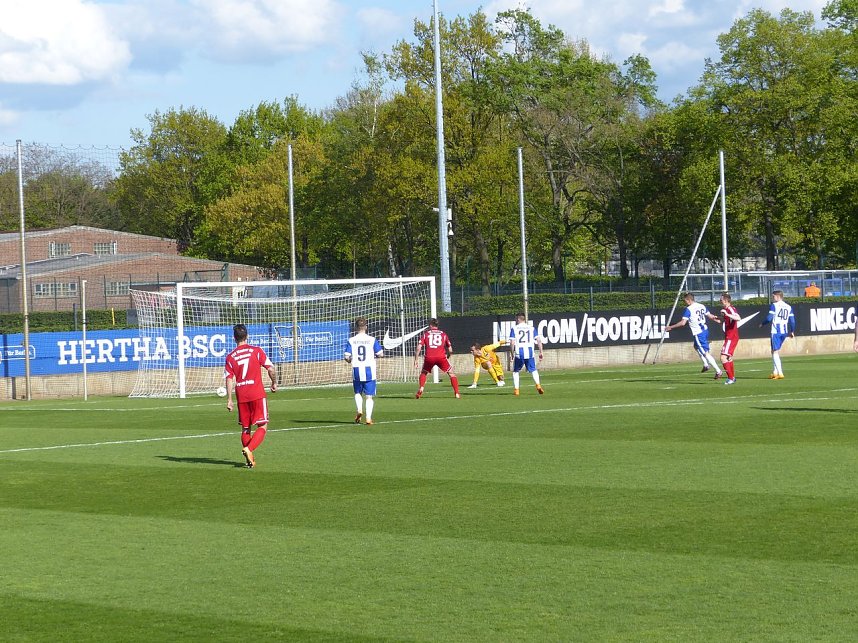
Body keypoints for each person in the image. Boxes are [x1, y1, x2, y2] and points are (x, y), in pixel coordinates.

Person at [224, 323, 277, 469]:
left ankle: (250, 457)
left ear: (234, 338)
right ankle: (249, 449)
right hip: (257, 393)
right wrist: (274, 383)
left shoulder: (230, 357)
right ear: (247, 336)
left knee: (245, 429)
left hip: (241, 395)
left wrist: (229, 400)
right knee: (263, 425)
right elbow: (271, 369)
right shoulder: (256, 351)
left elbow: (229, 378)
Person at [664, 292, 723, 379]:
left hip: (698, 333)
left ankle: (718, 370)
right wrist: (717, 320)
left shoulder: (689, 309)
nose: (685, 303)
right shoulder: (701, 306)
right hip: (705, 330)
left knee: (705, 353)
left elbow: (683, 323)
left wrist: (671, 327)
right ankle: (706, 364)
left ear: (688, 300)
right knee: (696, 346)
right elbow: (710, 316)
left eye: (685, 301)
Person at [343, 317, 383, 425]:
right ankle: (368, 418)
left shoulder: (351, 340)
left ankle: (359, 409)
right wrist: (373, 355)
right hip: (369, 370)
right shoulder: (372, 339)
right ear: (366, 327)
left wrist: (350, 360)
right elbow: (380, 354)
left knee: (357, 392)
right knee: (369, 396)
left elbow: (347, 356)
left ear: (356, 328)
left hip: (356, 369)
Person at [414, 318, 460, 399]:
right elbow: (450, 350)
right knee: (451, 374)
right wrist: (448, 356)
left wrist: (416, 360)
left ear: (431, 325)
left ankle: (421, 388)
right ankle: (456, 393)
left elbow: (418, 347)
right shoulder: (443, 334)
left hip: (429, 357)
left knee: (424, 372)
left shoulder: (426, 334)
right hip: (441, 357)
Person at [760, 290, 795, 379]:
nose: (773, 298)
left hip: (776, 331)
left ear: (778, 296)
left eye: (773, 296)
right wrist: (792, 331)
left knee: (775, 352)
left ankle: (780, 373)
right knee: (774, 351)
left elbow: (769, 318)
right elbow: (792, 321)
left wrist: (762, 324)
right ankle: (775, 372)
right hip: (784, 332)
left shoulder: (774, 305)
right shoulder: (788, 307)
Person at [508, 312, 545, 396]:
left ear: (518, 319)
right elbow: (538, 340)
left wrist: (512, 354)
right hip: (530, 353)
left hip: (519, 353)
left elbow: (512, 342)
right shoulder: (531, 328)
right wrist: (541, 352)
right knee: (533, 370)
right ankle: (538, 385)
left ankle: (516, 390)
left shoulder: (514, 328)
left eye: (516, 319)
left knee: (516, 371)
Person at [718, 292, 741, 385]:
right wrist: (717, 318)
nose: (720, 301)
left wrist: (727, 314)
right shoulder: (726, 309)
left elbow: (738, 318)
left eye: (721, 299)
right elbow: (726, 320)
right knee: (728, 357)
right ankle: (732, 377)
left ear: (726, 300)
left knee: (723, 357)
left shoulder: (730, 309)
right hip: (730, 336)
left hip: (731, 337)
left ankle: (730, 378)